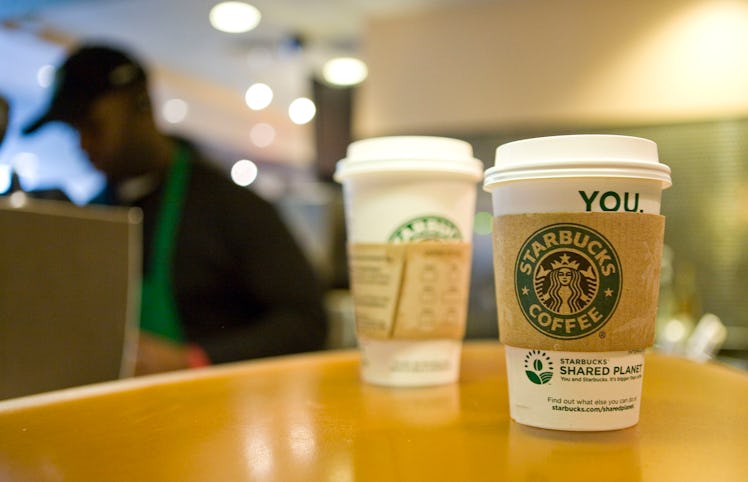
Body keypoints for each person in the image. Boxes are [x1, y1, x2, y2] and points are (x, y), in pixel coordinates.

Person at [23, 44, 328, 374]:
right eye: (75, 132)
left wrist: (191, 360)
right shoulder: (96, 213)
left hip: (219, 410)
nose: (83, 144)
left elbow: (306, 322)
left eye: (93, 125)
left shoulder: (231, 206)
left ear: (141, 105)